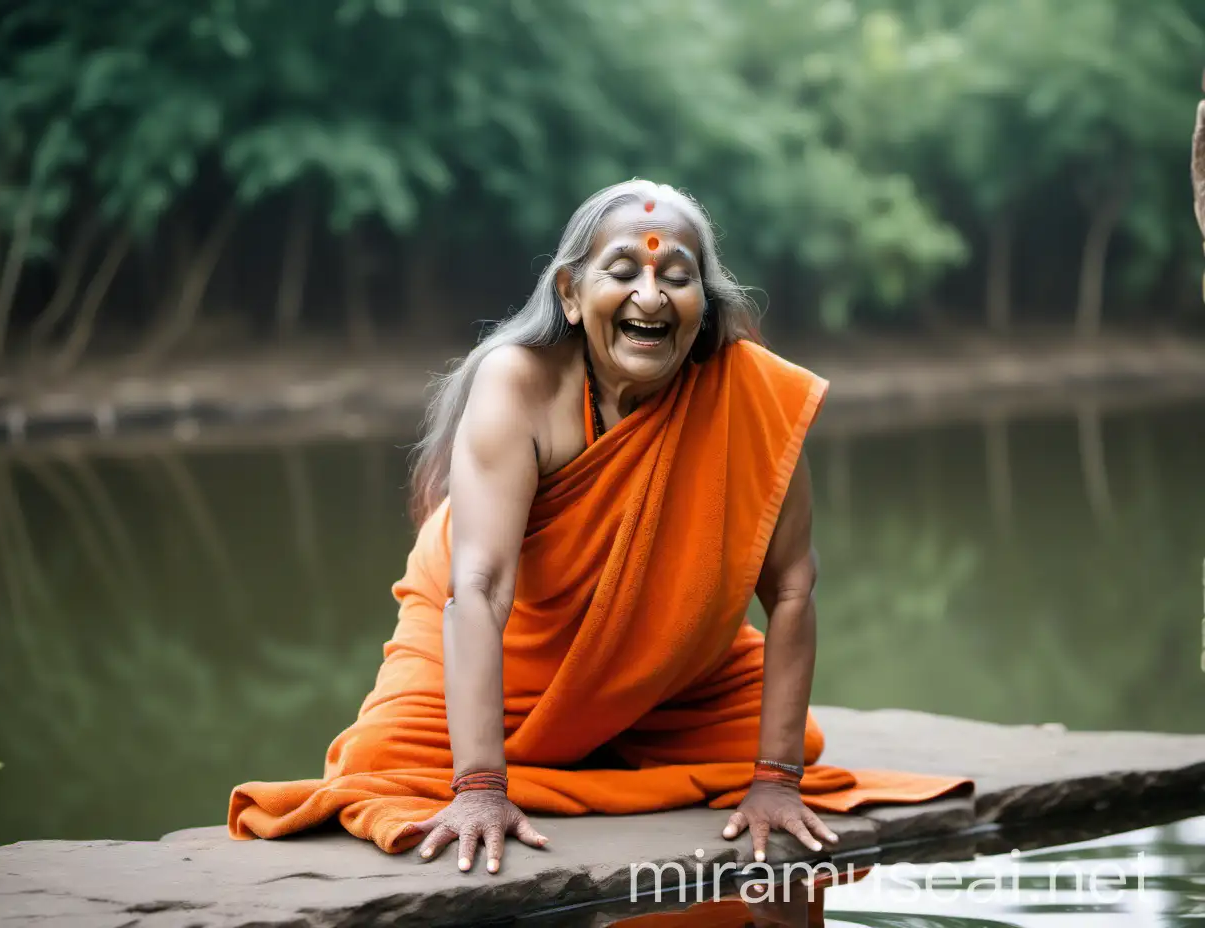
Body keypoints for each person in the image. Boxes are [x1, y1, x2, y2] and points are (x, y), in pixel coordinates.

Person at [228, 179, 971, 874]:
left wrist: (775, 781)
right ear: (572, 294)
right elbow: (478, 587)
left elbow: (793, 589)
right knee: (380, 764)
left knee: (794, 744)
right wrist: (481, 787)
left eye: (677, 277)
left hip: (668, 670)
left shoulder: (751, 395)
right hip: (501, 644)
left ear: (703, 305)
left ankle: (609, 736)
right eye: (623, 270)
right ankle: (544, 753)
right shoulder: (520, 383)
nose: (650, 294)